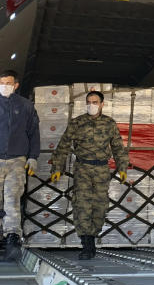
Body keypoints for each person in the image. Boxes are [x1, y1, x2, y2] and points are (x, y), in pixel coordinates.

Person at [49, 90, 129, 260]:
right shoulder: (77, 123)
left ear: (102, 104)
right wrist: (57, 167)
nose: (91, 105)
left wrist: (122, 168)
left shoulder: (109, 123)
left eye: (95, 102)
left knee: (100, 205)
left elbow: (118, 148)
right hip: (83, 168)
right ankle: (86, 243)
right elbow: (63, 146)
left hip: (101, 170)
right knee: (82, 205)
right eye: (88, 102)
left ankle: (93, 236)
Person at [0, 70, 40, 257]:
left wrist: (33, 156)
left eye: (8, 83)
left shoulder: (26, 106)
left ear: (16, 85)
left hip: (16, 160)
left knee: (12, 199)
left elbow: (33, 133)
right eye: (2, 82)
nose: (4, 85)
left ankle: (12, 237)